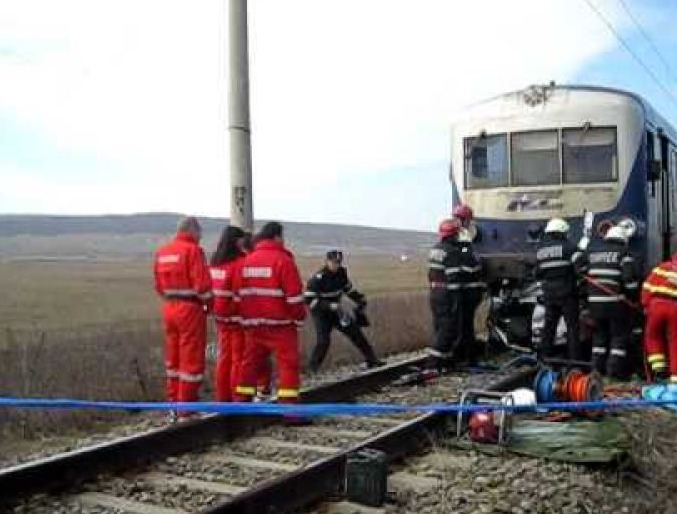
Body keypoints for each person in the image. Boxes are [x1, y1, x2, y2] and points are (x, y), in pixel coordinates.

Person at [234, 222, 307, 405]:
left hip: (254, 325)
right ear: (277, 237)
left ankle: (242, 402)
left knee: (250, 363)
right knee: (288, 365)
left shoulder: (246, 261)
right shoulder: (284, 260)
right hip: (281, 325)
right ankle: (289, 407)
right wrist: (298, 319)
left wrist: (245, 319)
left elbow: (237, 295)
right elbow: (294, 298)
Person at [153, 216, 212, 419]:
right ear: (193, 231)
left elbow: (158, 286)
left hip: (169, 307)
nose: (200, 237)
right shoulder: (193, 251)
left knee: (174, 359)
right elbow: (203, 286)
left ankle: (174, 404)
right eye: (200, 233)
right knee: (191, 360)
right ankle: (187, 408)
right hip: (190, 309)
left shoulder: (163, 252)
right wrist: (209, 305)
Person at [304, 250, 380, 372]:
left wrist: (359, 299)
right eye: (334, 262)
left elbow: (348, 290)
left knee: (356, 333)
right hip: (321, 314)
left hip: (337, 312)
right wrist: (329, 305)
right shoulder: (318, 279)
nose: (336, 265)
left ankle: (372, 360)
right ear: (327, 261)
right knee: (323, 341)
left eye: (339, 262)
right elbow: (309, 300)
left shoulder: (341, 274)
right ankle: (312, 369)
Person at [585, 226, 639, 379]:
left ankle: (596, 371)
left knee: (599, 338)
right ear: (623, 240)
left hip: (594, 304)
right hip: (615, 303)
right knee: (618, 337)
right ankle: (613, 373)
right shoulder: (624, 255)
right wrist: (633, 297)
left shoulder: (593, 254)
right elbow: (629, 281)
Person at [534, 217, 584, 361]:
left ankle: (544, 357)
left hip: (549, 294)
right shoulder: (570, 248)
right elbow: (581, 269)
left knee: (549, 326)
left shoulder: (541, 251)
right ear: (562, 232)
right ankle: (574, 360)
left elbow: (537, 273)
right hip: (567, 292)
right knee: (572, 327)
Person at [210, 226, 247, 401]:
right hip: (235, 317)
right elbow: (240, 292)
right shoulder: (239, 263)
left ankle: (222, 397)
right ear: (236, 241)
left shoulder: (215, 261)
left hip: (220, 316)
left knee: (224, 357)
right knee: (238, 358)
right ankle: (237, 397)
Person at [426, 218, 464, 371]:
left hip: (434, 292)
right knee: (448, 328)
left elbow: (430, 273)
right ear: (453, 235)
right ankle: (432, 363)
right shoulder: (452, 252)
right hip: (446, 294)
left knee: (440, 326)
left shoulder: (434, 249)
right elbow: (453, 278)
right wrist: (456, 299)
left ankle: (446, 362)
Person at [454, 205, 486, 365]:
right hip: (467, 291)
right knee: (464, 324)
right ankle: (466, 355)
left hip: (464, 291)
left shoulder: (464, 237)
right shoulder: (463, 237)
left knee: (463, 323)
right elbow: (471, 265)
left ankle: (464, 355)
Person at [641, 251, 677, 383]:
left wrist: (645, 305)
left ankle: (659, 371)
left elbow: (647, 286)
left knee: (653, 337)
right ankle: (675, 376)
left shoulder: (662, 267)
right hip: (675, 307)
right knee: (675, 341)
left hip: (656, 305)